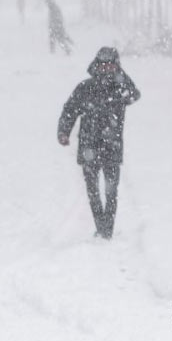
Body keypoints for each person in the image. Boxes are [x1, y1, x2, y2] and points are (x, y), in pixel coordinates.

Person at [57, 47, 140, 238]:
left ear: (117, 66)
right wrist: (63, 132)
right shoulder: (85, 88)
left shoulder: (121, 89)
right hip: (88, 147)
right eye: (103, 64)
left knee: (111, 192)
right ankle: (100, 225)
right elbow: (69, 110)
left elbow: (135, 94)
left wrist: (121, 75)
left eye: (111, 64)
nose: (106, 68)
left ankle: (107, 230)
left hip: (112, 147)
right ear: (96, 65)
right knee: (92, 191)